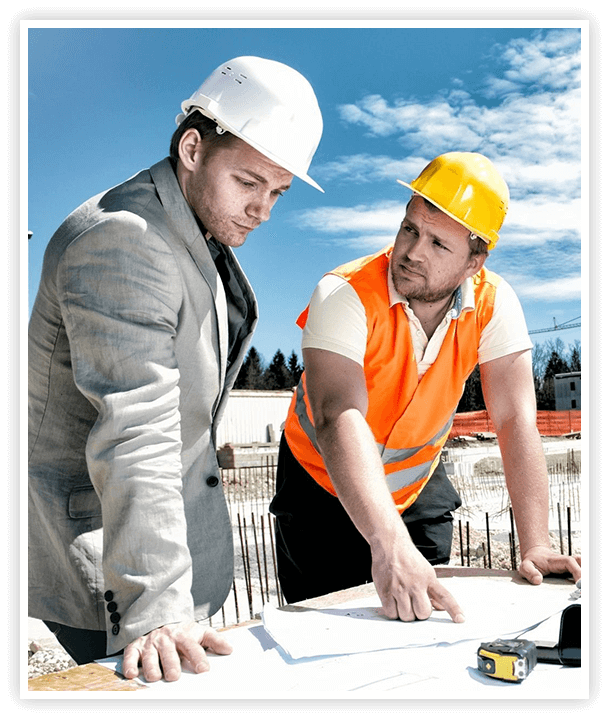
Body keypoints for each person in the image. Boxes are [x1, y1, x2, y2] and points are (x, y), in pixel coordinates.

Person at [28, 56, 323, 682]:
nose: (264, 210)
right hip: (111, 563)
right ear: (193, 148)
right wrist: (157, 608)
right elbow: (136, 427)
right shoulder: (125, 238)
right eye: (249, 183)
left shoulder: (190, 230)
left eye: (278, 191)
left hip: (165, 554)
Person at [270, 152, 581, 624]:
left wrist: (536, 542)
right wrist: (387, 544)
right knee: (327, 634)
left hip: (416, 492)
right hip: (321, 489)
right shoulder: (344, 292)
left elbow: (516, 419)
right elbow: (337, 414)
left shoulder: (494, 306)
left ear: (475, 261)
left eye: (439, 243)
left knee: (421, 631)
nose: (413, 251)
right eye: (410, 228)